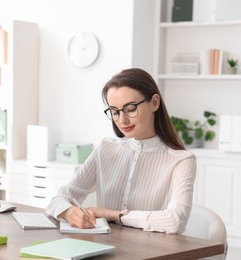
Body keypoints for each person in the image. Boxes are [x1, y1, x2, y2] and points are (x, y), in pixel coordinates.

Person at [45, 68, 196, 234]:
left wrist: (114, 215)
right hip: (104, 248)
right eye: (115, 112)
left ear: (154, 103)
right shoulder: (106, 149)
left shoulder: (181, 160)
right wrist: (69, 212)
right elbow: (59, 198)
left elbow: (175, 221)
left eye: (130, 109)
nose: (122, 120)